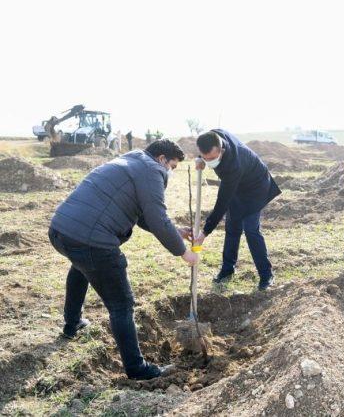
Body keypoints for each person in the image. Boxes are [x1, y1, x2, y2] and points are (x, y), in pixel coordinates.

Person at [49, 139, 198, 380]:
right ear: (161, 159)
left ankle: (72, 323)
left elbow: (144, 216)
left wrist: (175, 231)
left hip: (61, 230)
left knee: (81, 266)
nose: (170, 172)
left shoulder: (131, 161)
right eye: (172, 166)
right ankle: (137, 369)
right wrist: (184, 252)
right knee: (121, 304)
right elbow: (157, 217)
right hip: (92, 239)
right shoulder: (152, 170)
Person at [192, 129, 281, 291]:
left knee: (251, 229)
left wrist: (205, 232)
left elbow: (222, 202)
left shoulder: (233, 164)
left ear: (222, 151)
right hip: (237, 187)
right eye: (205, 157)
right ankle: (227, 270)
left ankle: (266, 275)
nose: (208, 162)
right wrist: (199, 158)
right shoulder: (213, 135)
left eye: (212, 159)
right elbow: (205, 150)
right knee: (232, 227)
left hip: (255, 187)